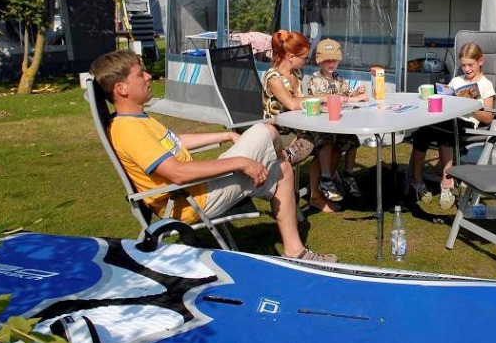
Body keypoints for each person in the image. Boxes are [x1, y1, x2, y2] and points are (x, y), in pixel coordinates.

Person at [90, 50, 335, 263]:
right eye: (139, 74)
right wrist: (241, 162)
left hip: (197, 190)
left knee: (282, 169)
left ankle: (295, 251)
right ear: (121, 89)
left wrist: (225, 136)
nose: (148, 76)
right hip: (190, 201)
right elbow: (178, 173)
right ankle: (287, 154)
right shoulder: (129, 130)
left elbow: (173, 142)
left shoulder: (137, 119)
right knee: (266, 131)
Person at [408, 42, 495, 210]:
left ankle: (447, 183)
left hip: (466, 122)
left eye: (470, 65)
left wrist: (470, 106)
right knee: (422, 131)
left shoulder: (486, 84)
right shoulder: (456, 81)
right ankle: (417, 180)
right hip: (448, 118)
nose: (467, 69)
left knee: (445, 130)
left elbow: (488, 117)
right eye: (463, 65)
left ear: (480, 61)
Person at [261, 30, 337, 213]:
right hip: (278, 133)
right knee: (313, 142)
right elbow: (292, 104)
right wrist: (323, 98)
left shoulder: (297, 73)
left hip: (297, 127)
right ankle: (281, 166)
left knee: (331, 139)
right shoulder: (273, 78)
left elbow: (300, 105)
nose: (306, 61)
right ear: (290, 56)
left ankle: (319, 191)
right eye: (304, 58)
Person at [306, 38, 369, 202]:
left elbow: (347, 92)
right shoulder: (315, 79)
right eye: (327, 60)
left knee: (353, 141)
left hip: (337, 123)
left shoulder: (338, 78)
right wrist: (352, 99)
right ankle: (326, 179)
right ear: (319, 60)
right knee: (326, 142)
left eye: (334, 60)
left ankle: (348, 174)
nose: (331, 63)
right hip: (321, 124)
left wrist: (357, 92)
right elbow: (328, 99)